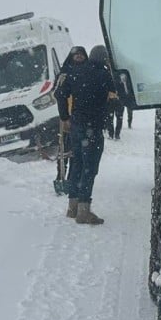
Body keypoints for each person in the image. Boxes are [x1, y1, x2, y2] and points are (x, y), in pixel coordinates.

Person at [55, 45, 116, 224]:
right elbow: (116, 95)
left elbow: (59, 94)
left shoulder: (75, 72)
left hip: (76, 125)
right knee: (90, 167)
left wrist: (65, 117)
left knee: (77, 164)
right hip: (93, 127)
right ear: (104, 59)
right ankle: (83, 211)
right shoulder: (104, 75)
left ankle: (72, 208)